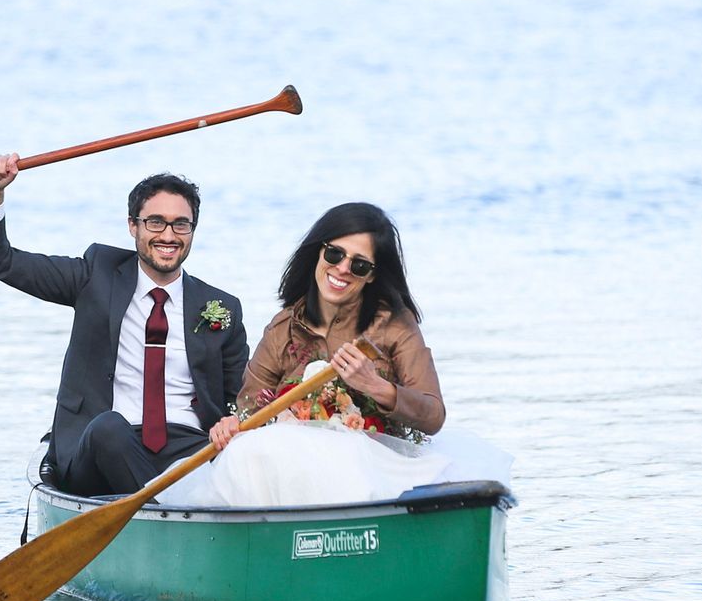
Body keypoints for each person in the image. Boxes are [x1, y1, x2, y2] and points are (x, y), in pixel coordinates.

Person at [160, 203, 508, 509]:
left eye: (359, 265)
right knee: (244, 454)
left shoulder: (394, 325)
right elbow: (251, 410)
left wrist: (375, 386)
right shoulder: (283, 327)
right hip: (289, 468)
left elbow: (433, 415)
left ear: (372, 276)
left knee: (343, 456)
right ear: (317, 253)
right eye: (334, 254)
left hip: (376, 463)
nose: (342, 269)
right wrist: (230, 426)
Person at [0, 155, 248, 497]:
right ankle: (166, 511)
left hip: (189, 450)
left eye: (180, 224)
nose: (168, 236)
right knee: (109, 429)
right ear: (133, 226)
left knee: (239, 459)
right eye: (155, 222)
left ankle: (158, 504)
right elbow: (0, 261)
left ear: (192, 230)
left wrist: (234, 421)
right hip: (102, 448)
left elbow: (240, 398)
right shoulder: (95, 275)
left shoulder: (221, 307)